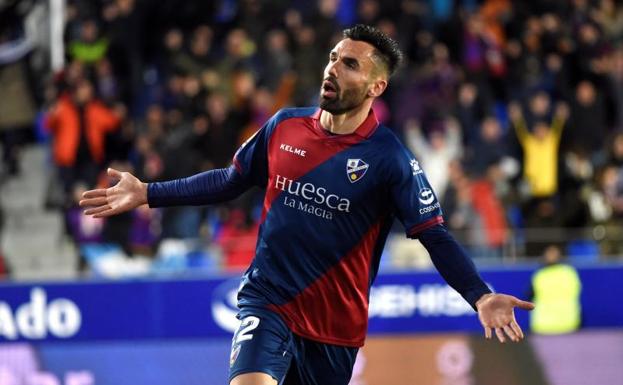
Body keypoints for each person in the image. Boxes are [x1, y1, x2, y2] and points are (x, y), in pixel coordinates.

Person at [80, 25, 534, 385]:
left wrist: (480, 294)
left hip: (334, 330)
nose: (333, 68)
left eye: (350, 64)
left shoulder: (390, 159)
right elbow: (230, 180)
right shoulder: (284, 126)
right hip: (268, 300)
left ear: (376, 86)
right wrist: (148, 193)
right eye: (334, 57)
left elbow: (433, 234)